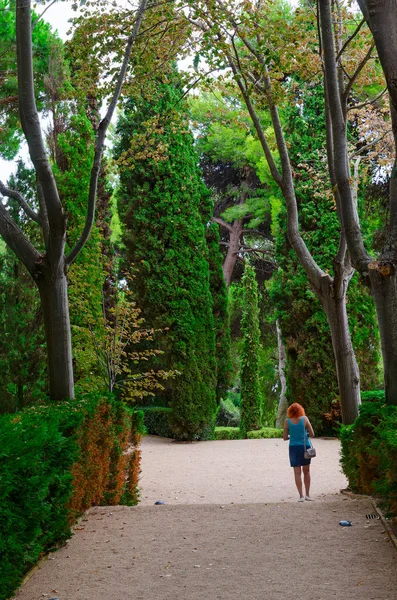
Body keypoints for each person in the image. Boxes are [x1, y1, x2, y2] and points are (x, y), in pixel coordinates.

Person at [283, 403, 315, 502]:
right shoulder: (305, 419)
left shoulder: (287, 421)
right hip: (305, 447)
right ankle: (308, 495)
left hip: (293, 447)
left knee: (297, 473)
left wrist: (292, 436)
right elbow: (312, 434)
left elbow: (284, 438)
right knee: (307, 471)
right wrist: (305, 435)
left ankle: (301, 496)